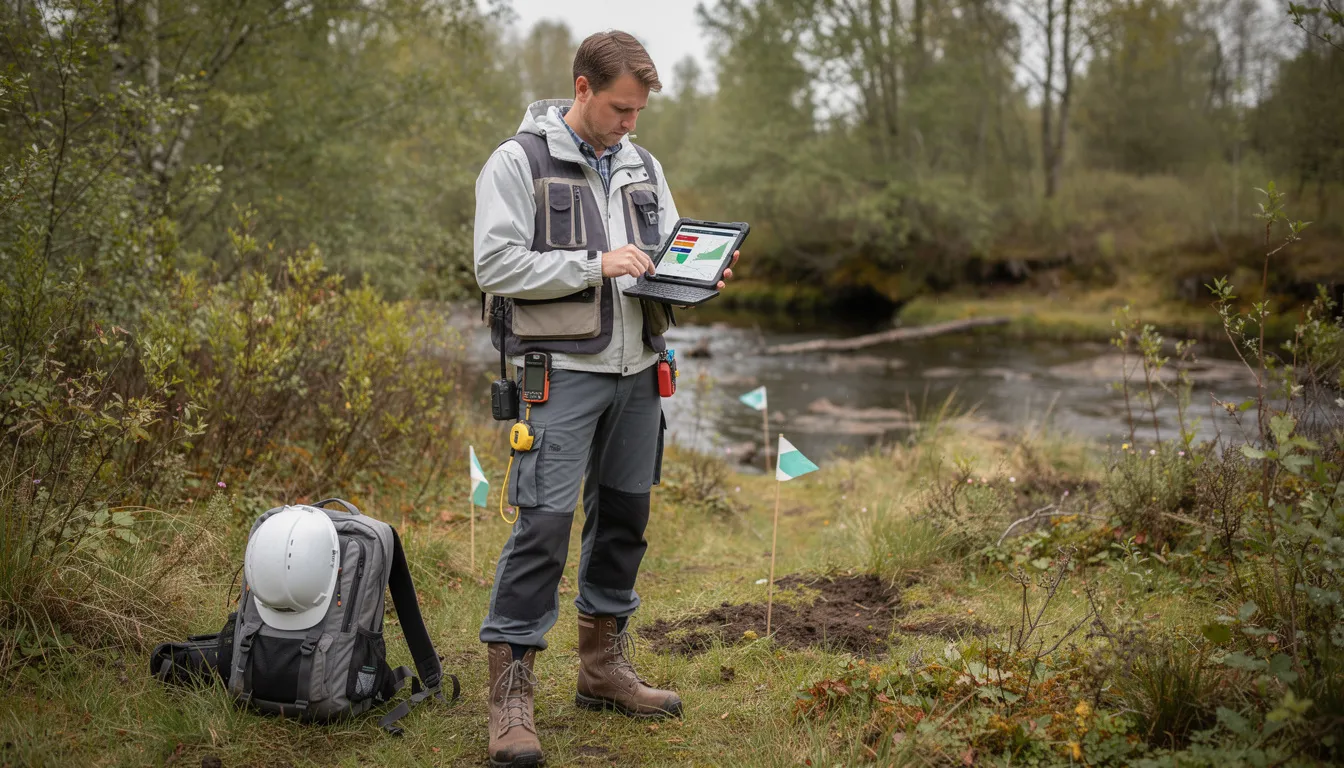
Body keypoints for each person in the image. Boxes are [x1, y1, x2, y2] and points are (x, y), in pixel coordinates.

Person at [472, 29, 738, 768]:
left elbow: (664, 253)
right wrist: (596, 263)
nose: (630, 123)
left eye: (639, 112)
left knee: (626, 518)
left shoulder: (644, 165)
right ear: (582, 89)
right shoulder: (516, 162)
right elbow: (494, 262)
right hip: (560, 373)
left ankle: (602, 669)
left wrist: (699, 274)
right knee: (543, 527)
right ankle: (511, 694)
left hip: (639, 371)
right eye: (620, 108)